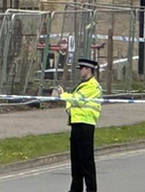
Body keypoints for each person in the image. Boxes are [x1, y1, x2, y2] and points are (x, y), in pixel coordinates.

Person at [55, 58, 102, 192]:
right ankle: (75, 189)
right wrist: (68, 101)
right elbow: (73, 102)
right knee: (76, 162)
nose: (80, 71)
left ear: (88, 69)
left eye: (82, 68)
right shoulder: (83, 84)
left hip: (86, 125)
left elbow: (77, 100)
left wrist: (64, 95)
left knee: (86, 162)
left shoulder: (92, 86)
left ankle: (91, 189)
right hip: (76, 124)